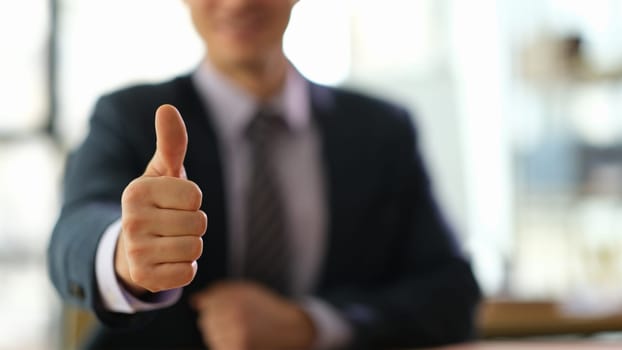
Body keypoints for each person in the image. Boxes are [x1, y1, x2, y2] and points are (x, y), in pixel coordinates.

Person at [48, 0, 481, 349]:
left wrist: (310, 325)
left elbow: (451, 292)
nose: (237, 4)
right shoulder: (128, 117)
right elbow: (75, 231)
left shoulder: (382, 130)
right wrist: (124, 253)